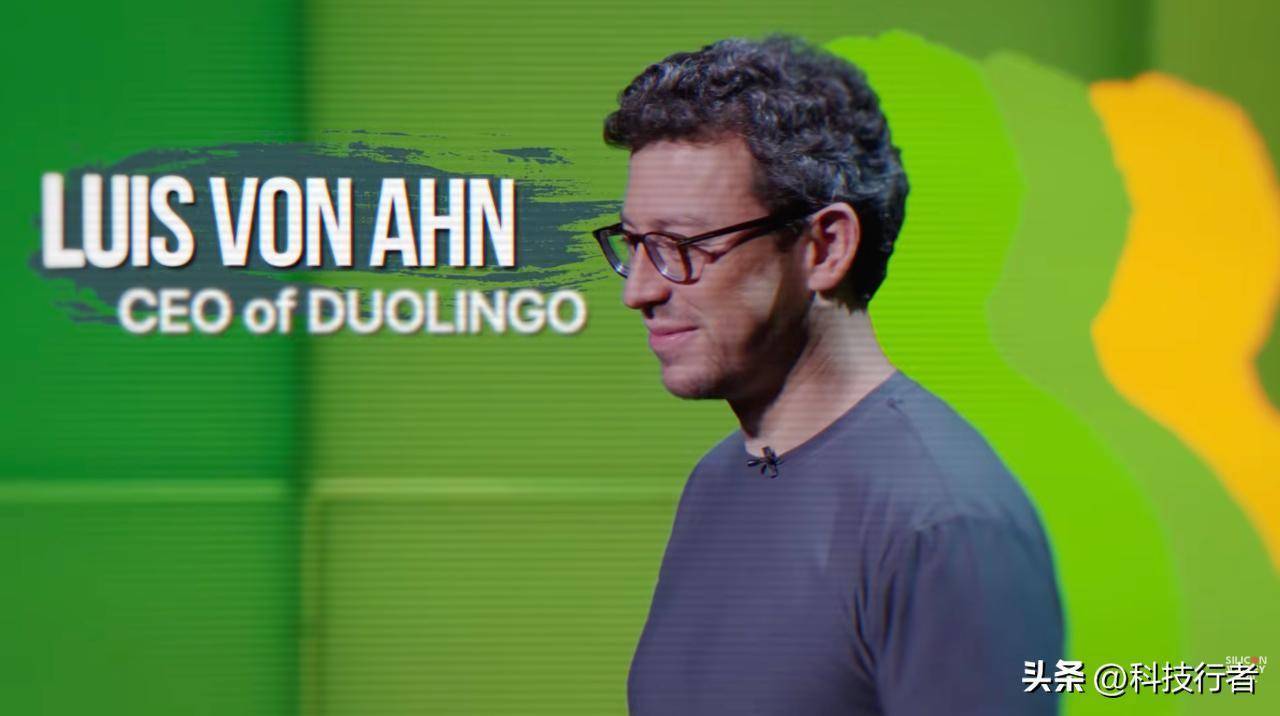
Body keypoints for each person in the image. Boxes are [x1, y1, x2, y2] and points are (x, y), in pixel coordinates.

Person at [592, 36, 1064, 715]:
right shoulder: (718, 480)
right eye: (635, 244)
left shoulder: (947, 526)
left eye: (681, 246)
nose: (637, 290)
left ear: (825, 247)